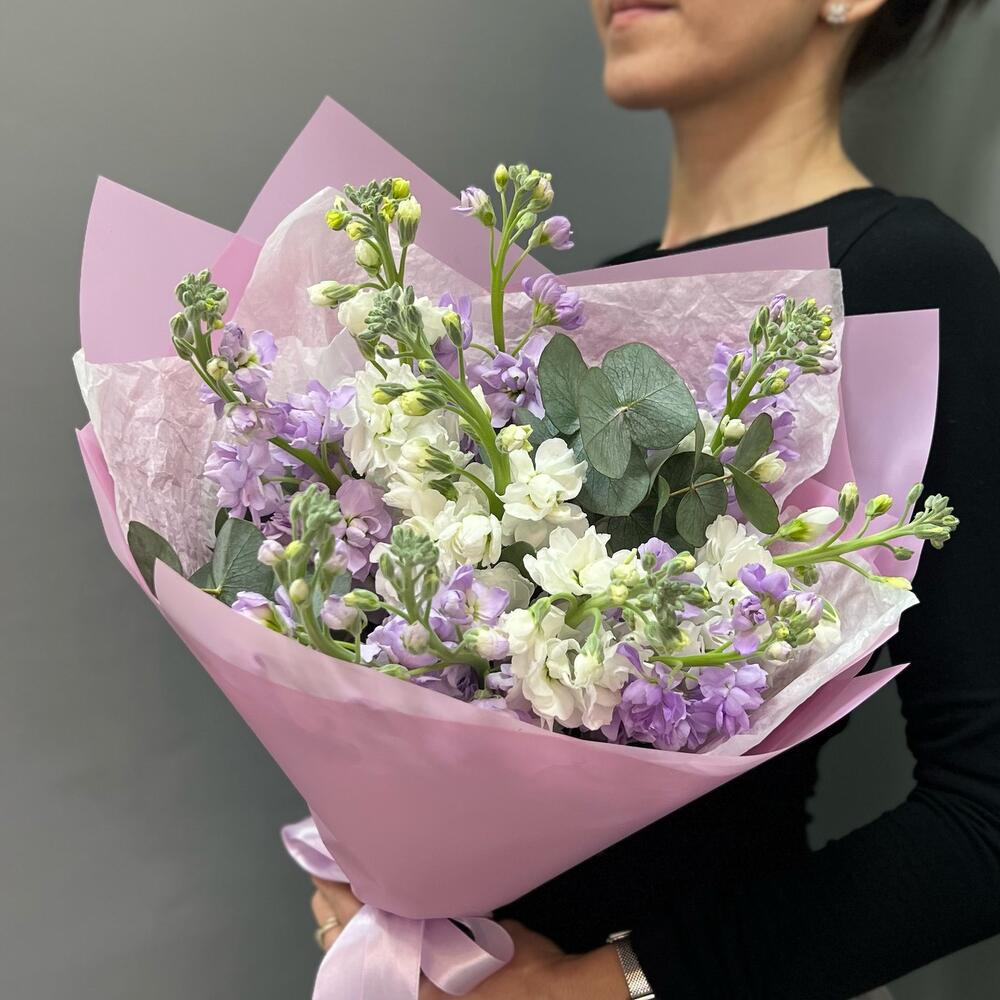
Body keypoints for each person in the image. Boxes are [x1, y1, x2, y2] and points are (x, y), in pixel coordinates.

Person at [310, 1, 1000, 996]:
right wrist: (374, 890)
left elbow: (984, 816)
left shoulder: (898, 274)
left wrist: (591, 987)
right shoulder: (557, 314)